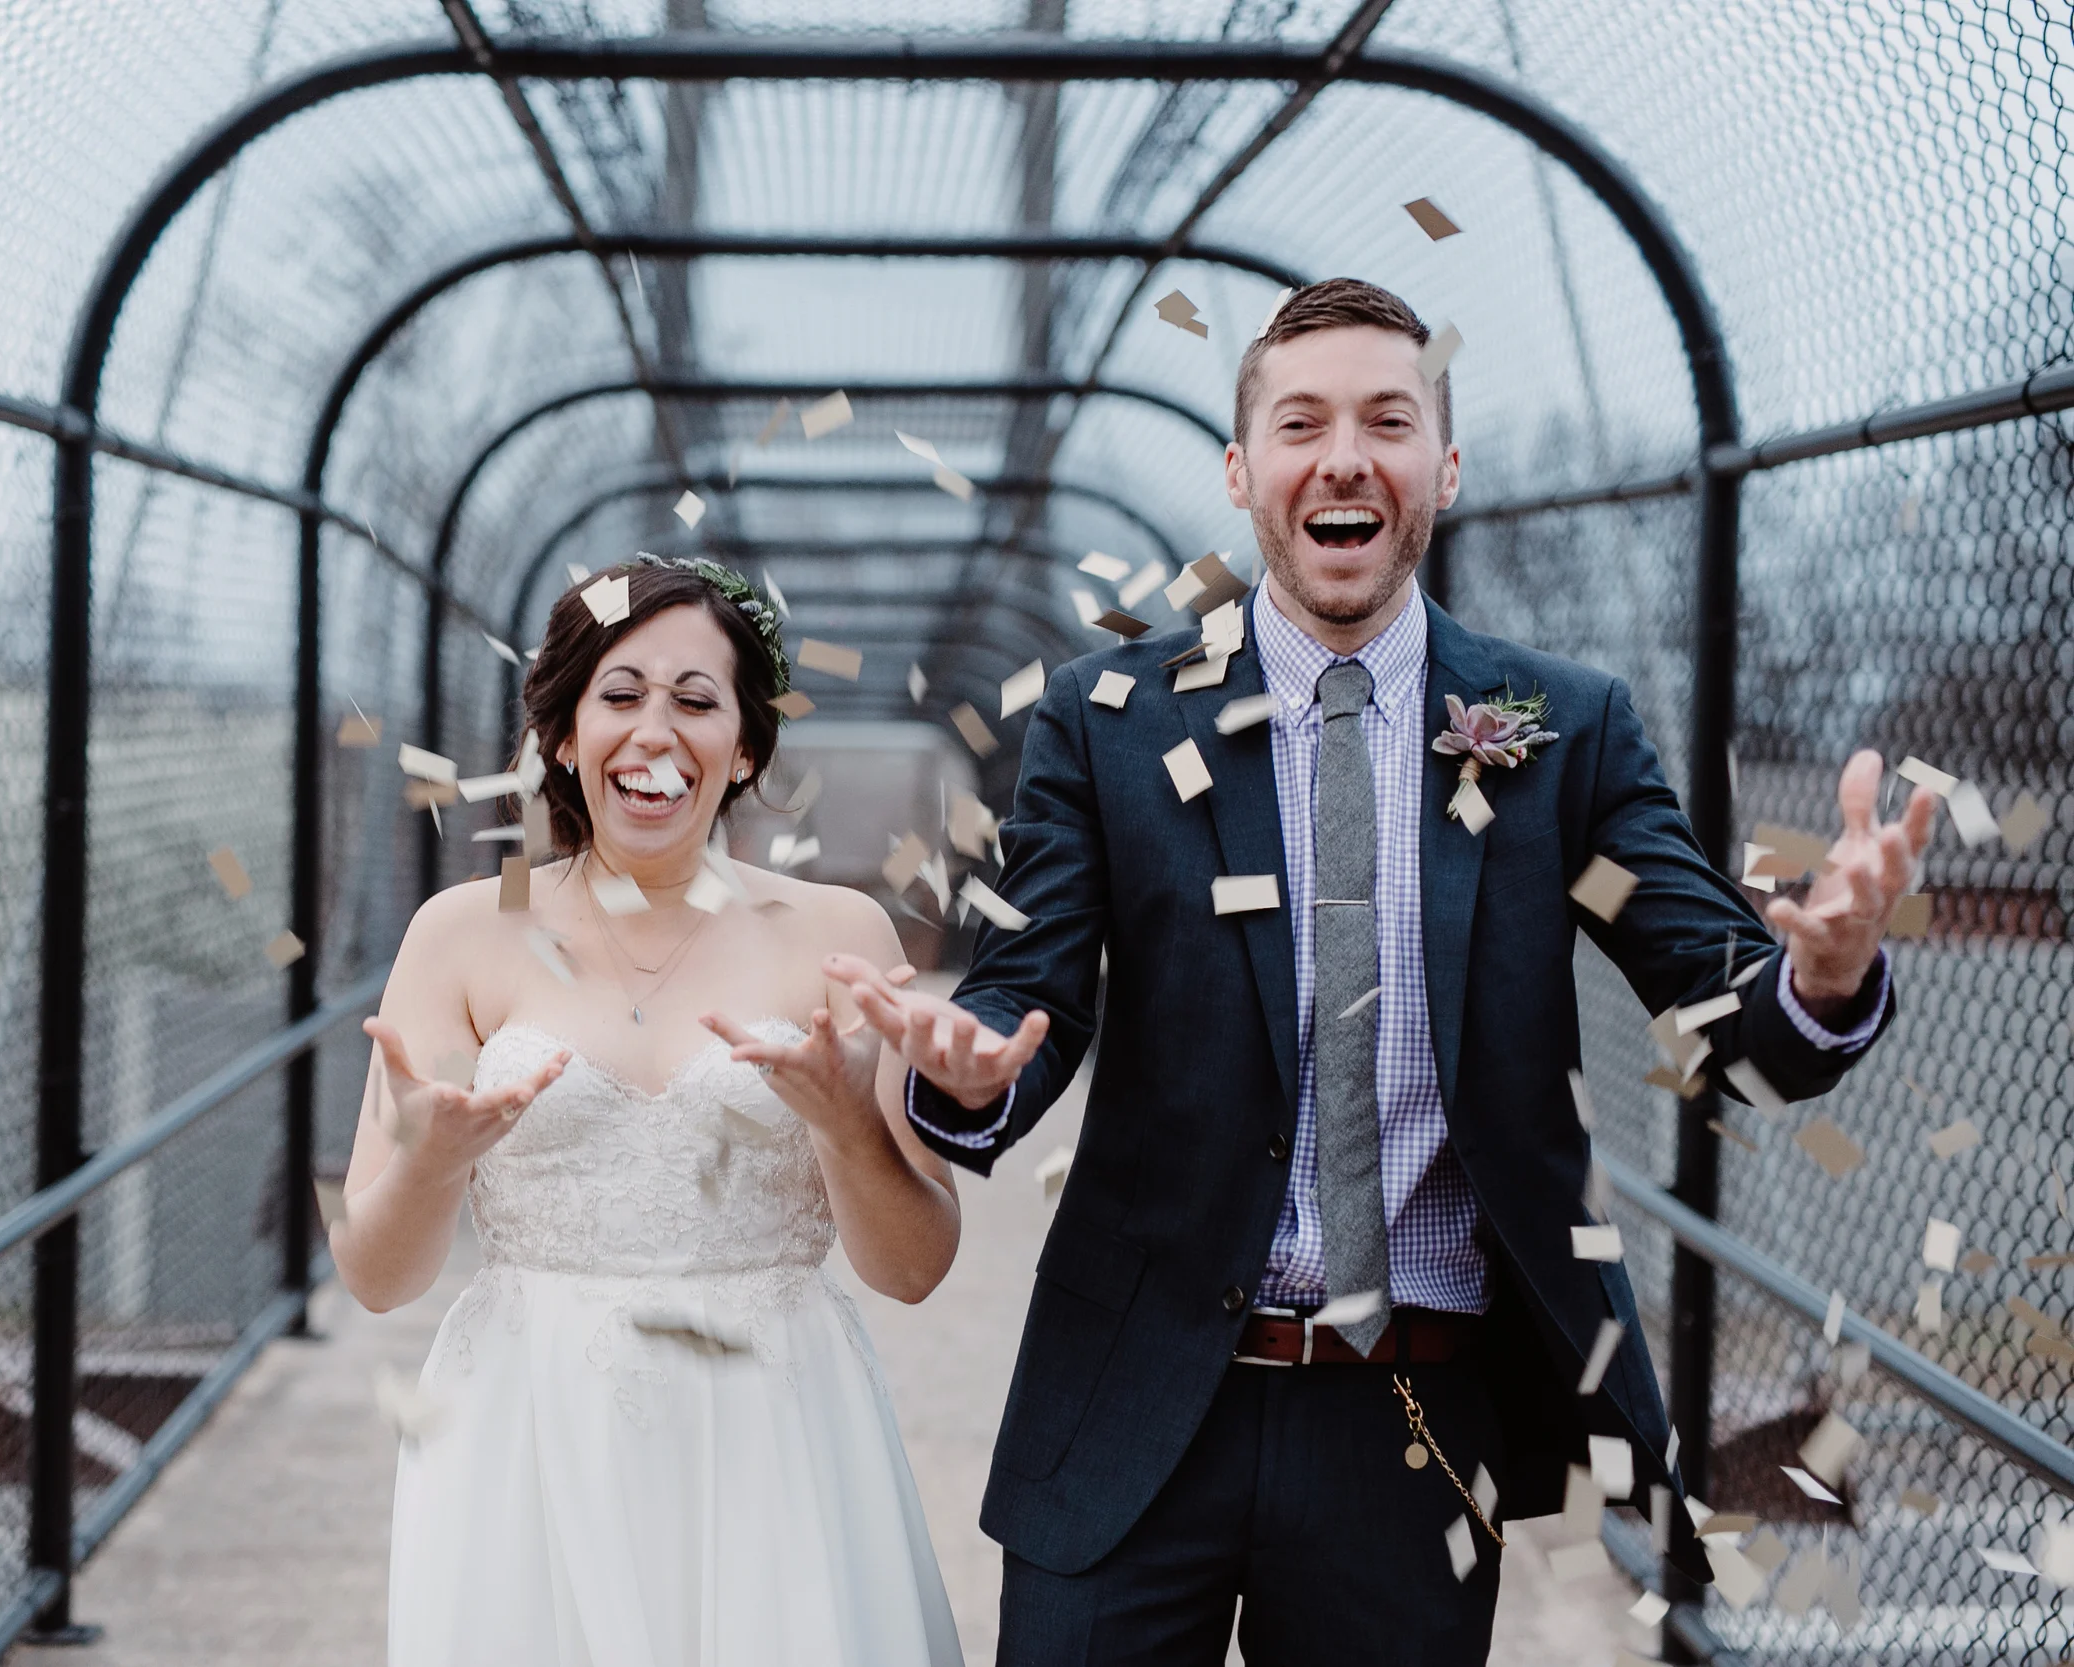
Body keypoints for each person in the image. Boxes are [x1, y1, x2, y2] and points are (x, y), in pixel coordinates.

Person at [829, 279, 1938, 1664]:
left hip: (1409, 1432)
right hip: (1128, 1400)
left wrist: (1823, 976)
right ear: (1243, 473)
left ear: (1442, 467)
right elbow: (1022, 998)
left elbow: (1734, 1014)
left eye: (1388, 420)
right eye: (1301, 422)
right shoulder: (1104, 723)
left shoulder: (1562, 727)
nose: (1344, 454)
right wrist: (962, 1071)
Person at [327, 555, 966, 1667]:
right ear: (564, 735)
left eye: (695, 700)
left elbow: (912, 1265)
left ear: (748, 743)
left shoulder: (841, 931)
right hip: (525, 1435)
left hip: (776, 1423)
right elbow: (376, 1277)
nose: (653, 733)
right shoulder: (463, 929)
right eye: (618, 695)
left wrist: (842, 1120)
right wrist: (431, 1164)